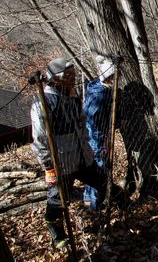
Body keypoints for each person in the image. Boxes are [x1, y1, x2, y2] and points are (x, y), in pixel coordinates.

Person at [31, 58, 108, 249]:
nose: (73, 79)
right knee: (58, 199)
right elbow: (40, 137)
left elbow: (82, 126)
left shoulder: (73, 98)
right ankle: (57, 234)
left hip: (82, 156)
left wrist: (88, 150)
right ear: (56, 78)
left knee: (103, 181)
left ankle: (119, 206)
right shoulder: (44, 101)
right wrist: (48, 165)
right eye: (68, 75)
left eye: (74, 74)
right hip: (61, 160)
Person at [83, 55, 116, 210]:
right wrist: (102, 140)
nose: (116, 79)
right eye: (113, 76)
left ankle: (90, 202)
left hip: (96, 136)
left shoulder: (98, 87)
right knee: (98, 169)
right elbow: (93, 120)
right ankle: (94, 206)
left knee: (95, 170)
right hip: (96, 138)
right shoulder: (100, 94)